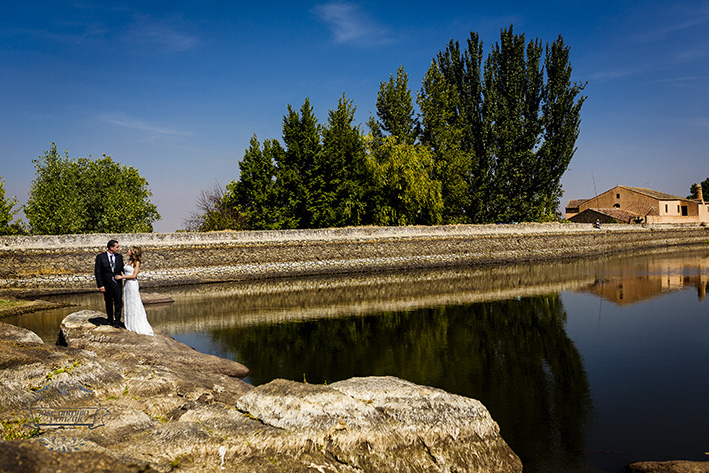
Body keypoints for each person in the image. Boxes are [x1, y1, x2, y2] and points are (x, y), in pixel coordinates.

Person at [115, 246, 154, 336]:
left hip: (132, 284)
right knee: (128, 303)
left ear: (133, 252)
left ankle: (135, 324)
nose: (128, 251)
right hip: (127, 285)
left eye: (129, 250)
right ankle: (129, 323)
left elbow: (134, 276)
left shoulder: (137, 262)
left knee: (134, 302)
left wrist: (121, 277)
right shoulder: (129, 261)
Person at [95, 239, 123, 327]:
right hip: (107, 284)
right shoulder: (100, 257)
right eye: (117, 247)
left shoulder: (119, 257)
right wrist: (100, 285)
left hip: (117, 284)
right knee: (108, 302)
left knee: (118, 303)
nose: (118, 249)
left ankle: (117, 321)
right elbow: (97, 272)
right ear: (111, 247)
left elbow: (122, 268)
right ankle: (110, 320)